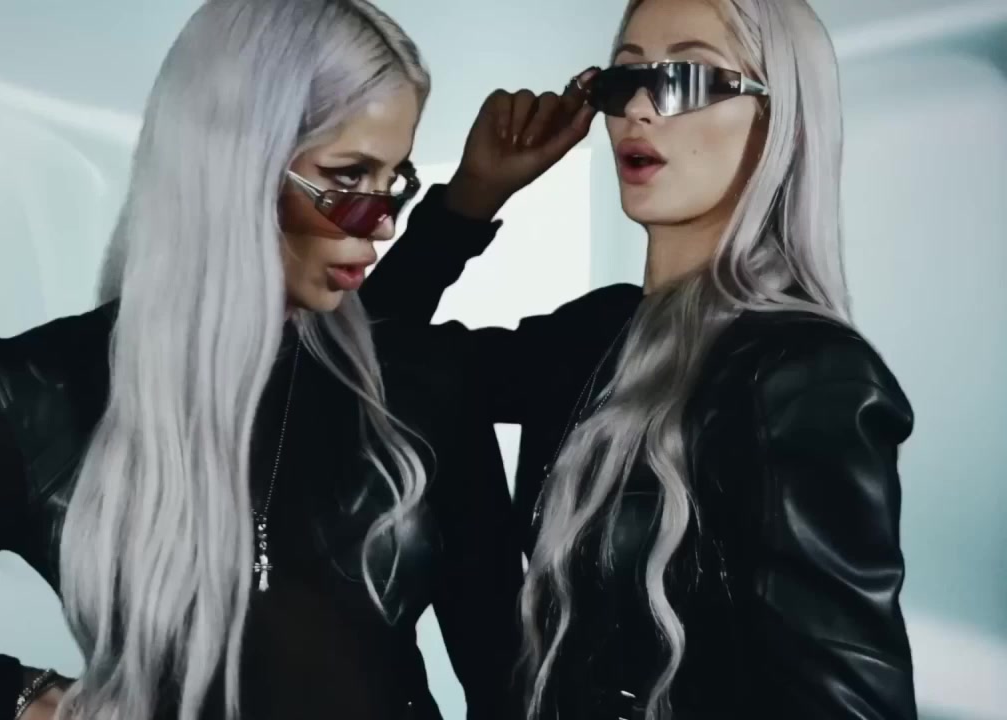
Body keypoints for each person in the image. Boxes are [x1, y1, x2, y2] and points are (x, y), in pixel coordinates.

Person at [0, 2, 524, 720]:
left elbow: (507, 679)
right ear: (234, 163)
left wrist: (463, 212)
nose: (381, 222)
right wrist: (21, 699)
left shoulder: (420, 384)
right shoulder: (40, 397)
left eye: (395, 181)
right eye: (350, 179)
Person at [360, 0, 917, 717]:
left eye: (686, 79)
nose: (640, 110)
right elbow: (369, 361)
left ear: (780, 120)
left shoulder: (808, 378)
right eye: (623, 81)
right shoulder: (593, 337)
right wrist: (473, 197)